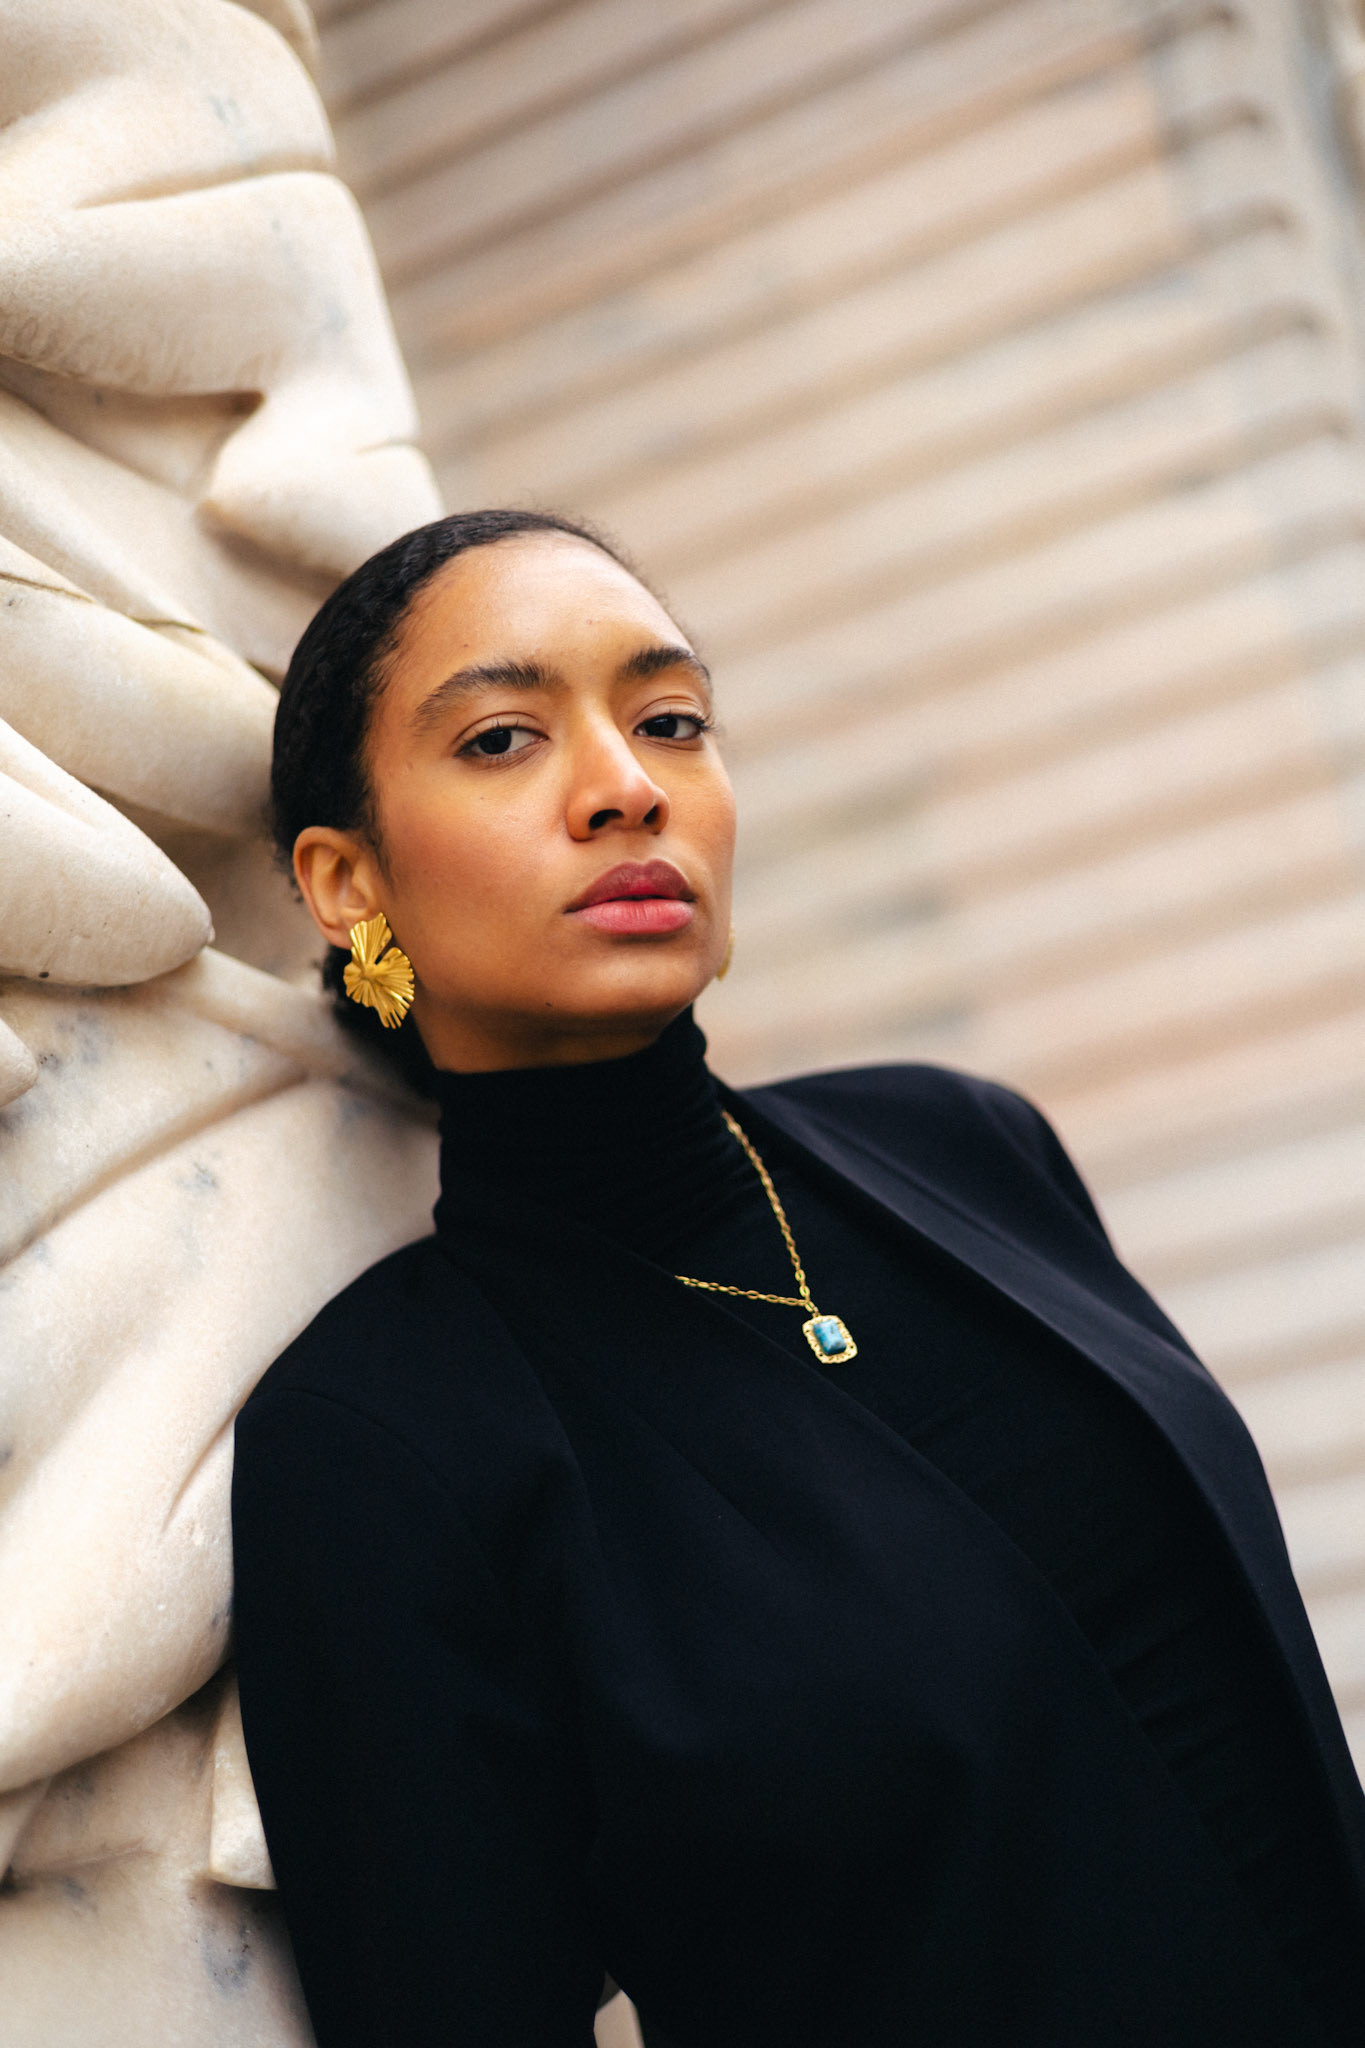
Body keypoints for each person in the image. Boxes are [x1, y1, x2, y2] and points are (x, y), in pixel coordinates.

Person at [231, 509, 1365, 2048]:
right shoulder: (378, 1439)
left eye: (670, 721)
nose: (626, 787)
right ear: (348, 885)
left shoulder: (965, 1146)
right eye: (501, 739)